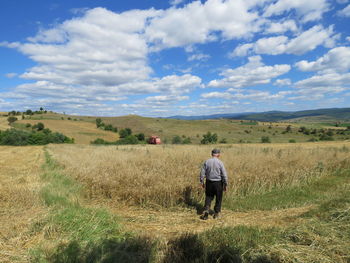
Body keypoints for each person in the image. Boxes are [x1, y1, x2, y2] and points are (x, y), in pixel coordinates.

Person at [199, 148, 228, 220]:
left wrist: (202, 181)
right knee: (218, 198)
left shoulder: (207, 162)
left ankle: (206, 211)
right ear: (218, 155)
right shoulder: (220, 163)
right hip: (218, 183)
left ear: (212, 154)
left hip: (209, 182)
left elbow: (202, 173)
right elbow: (224, 174)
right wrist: (225, 184)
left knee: (208, 197)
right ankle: (217, 214)